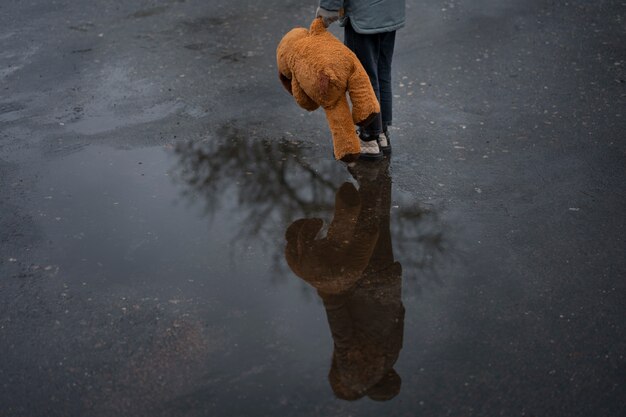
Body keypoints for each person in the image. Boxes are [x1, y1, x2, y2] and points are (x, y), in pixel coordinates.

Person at [316, 0, 405, 160]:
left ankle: (368, 138)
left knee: (362, 77)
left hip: (362, 13)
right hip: (390, 10)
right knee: (382, 70)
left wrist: (328, 8)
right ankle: (381, 132)